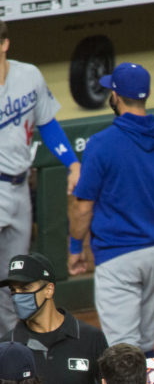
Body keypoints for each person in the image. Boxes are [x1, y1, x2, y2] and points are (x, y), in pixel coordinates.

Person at [69, 63, 154, 354]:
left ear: (115, 95)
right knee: (146, 344)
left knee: (123, 351)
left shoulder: (101, 144)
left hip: (118, 257)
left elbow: (82, 207)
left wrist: (76, 247)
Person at [0, 19, 81, 333]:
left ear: (5, 43)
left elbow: (48, 124)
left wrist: (73, 163)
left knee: (17, 277)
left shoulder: (29, 76)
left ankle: (11, 352)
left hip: (20, 188)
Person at [0, 253, 107, 384]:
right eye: (13, 290)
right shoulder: (7, 347)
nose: (17, 297)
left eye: (25, 289)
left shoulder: (90, 338)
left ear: (49, 289)